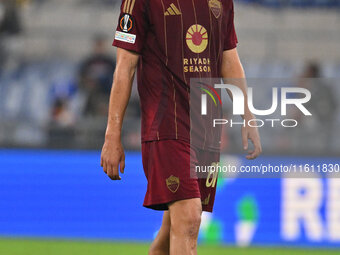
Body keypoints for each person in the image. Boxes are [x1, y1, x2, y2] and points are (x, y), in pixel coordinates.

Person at [101, 0, 262, 254]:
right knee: (188, 217)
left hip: (205, 130)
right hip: (166, 126)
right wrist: (112, 134)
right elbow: (124, 67)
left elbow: (228, 58)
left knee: (168, 236)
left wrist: (248, 115)